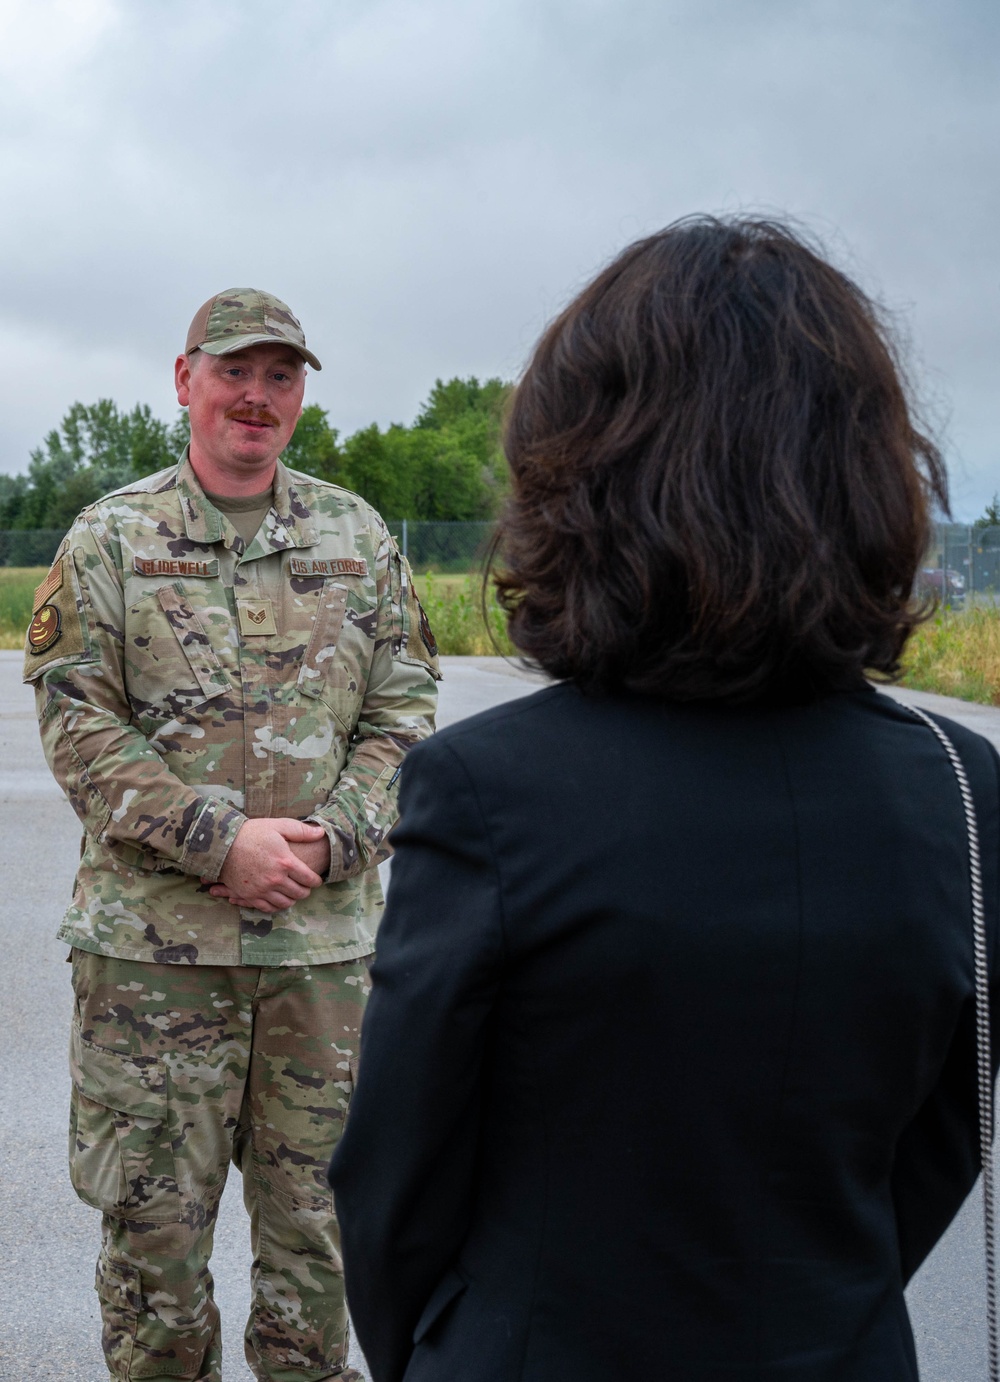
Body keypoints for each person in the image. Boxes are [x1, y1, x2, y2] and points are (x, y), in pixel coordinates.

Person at [329, 219, 1000, 1381]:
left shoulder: (489, 786)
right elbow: (942, 1141)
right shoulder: (963, 784)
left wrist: (439, 1348)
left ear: (580, 475)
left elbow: (397, 1171)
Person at [25, 287, 439, 1382]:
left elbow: (404, 709)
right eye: (235, 372)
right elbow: (77, 720)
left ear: (299, 393)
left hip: (322, 958)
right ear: (185, 378)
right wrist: (220, 842)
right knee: (154, 1249)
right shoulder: (111, 537)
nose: (257, 397)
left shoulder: (357, 536)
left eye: (281, 376)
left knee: (321, 1240)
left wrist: (339, 836)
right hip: (156, 963)